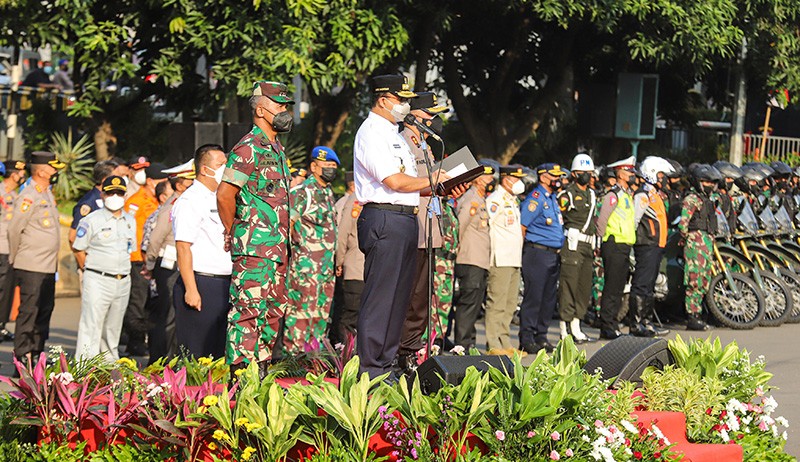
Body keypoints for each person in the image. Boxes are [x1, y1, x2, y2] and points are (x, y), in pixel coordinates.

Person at [353, 74, 453, 380]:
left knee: (399, 299)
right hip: (384, 217)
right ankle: (370, 370)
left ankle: (386, 366)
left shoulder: (394, 134)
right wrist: (436, 180)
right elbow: (393, 181)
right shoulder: (372, 132)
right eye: (402, 100)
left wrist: (443, 186)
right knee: (382, 298)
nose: (406, 106)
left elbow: (410, 186)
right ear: (384, 100)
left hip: (405, 217)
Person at [217, 80, 294, 375]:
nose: (285, 110)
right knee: (248, 312)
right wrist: (233, 229)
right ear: (261, 109)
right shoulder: (248, 147)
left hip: (276, 249)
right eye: (279, 105)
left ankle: (261, 369)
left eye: (286, 105)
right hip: (253, 247)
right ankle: (240, 375)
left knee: (272, 313)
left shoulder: (275, 148)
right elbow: (225, 193)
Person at [397, 92, 451, 370]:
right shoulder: (403, 143)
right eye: (429, 115)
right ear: (413, 117)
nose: (434, 121)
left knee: (421, 296)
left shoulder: (426, 147)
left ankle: (412, 348)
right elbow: (406, 182)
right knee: (410, 294)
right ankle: (402, 350)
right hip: (414, 226)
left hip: (429, 229)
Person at [173, 145, 232, 359]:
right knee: (197, 354)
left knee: (218, 354)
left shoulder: (221, 197)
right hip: (202, 282)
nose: (226, 168)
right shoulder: (191, 200)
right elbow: (183, 246)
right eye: (221, 165)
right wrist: (191, 289)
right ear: (205, 169)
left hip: (225, 282)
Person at [8, 151, 65, 368]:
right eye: (52, 167)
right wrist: (17, 257)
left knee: (44, 309)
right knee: (29, 311)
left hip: (48, 265)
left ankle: (37, 352)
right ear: (41, 171)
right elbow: (14, 230)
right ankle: (22, 355)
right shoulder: (29, 195)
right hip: (31, 264)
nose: (55, 171)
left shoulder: (47, 193)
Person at [72, 176, 136, 360]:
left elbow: (130, 249)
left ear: (125, 195)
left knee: (113, 328)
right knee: (91, 326)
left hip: (122, 279)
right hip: (97, 278)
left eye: (119, 192)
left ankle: (110, 366)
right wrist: (90, 271)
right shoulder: (91, 219)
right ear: (103, 194)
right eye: (110, 192)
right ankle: (84, 367)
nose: (115, 196)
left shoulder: (130, 220)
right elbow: (78, 248)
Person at [285, 146, 340, 352]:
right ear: (314, 167)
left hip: (325, 268)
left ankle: (313, 359)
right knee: (300, 315)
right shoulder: (302, 192)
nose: (331, 170)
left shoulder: (327, 192)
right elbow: (288, 225)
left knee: (321, 315)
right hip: (305, 268)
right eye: (327, 165)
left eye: (333, 166)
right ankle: (294, 361)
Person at [143, 159, 195, 362]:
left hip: (179, 263)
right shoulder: (173, 206)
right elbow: (155, 239)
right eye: (189, 180)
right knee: (167, 315)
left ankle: (171, 356)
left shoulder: (186, 202)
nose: (193, 184)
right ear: (179, 184)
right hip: (169, 264)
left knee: (175, 315)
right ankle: (161, 359)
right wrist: (149, 265)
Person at [123, 162, 169, 357]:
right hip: (138, 259)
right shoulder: (136, 201)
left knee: (152, 303)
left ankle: (147, 340)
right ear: (150, 181)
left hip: (153, 258)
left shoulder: (159, 201)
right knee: (138, 302)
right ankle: (135, 341)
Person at [518, 163, 565, 354]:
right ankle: (527, 337)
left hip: (552, 255)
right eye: (554, 176)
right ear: (543, 177)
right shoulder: (536, 199)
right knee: (534, 297)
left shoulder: (552, 198)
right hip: (537, 253)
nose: (558, 179)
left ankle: (541, 335)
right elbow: (523, 225)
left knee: (548, 298)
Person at [484, 165, 526, 355]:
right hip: (500, 258)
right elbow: (488, 227)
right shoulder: (495, 200)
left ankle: (504, 340)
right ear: (506, 179)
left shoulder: (513, 200)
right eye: (516, 179)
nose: (520, 183)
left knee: (510, 304)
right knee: (497, 303)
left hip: (514, 257)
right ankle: (493, 343)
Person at [629, 156, 672, 337]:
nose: (664, 179)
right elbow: (635, 219)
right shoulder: (643, 194)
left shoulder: (655, 194)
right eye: (661, 175)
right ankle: (636, 323)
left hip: (656, 245)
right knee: (641, 284)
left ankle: (647, 321)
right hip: (646, 245)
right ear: (652, 174)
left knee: (650, 287)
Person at [595, 156, 637, 340]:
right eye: (628, 172)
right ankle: (606, 326)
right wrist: (600, 241)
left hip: (625, 244)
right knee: (611, 287)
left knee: (619, 287)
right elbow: (602, 219)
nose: (631, 175)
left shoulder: (627, 194)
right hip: (613, 243)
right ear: (619, 173)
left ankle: (613, 322)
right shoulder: (614, 195)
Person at [556, 154, 597, 344]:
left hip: (588, 244)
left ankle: (576, 326)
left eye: (588, 173)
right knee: (568, 286)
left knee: (583, 286)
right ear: (574, 174)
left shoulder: (592, 194)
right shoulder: (567, 194)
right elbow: (558, 217)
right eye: (582, 173)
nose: (586, 176)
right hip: (573, 243)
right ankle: (564, 329)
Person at [678, 164, 719, 331]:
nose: (709, 185)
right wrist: (687, 238)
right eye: (705, 181)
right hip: (695, 241)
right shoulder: (692, 199)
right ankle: (692, 316)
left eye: (711, 182)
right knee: (694, 279)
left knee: (704, 280)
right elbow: (683, 224)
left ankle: (699, 313)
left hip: (706, 242)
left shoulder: (707, 200)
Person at [70, 160, 120, 271]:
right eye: (117, 177)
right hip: (93, 267)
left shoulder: (113, 200)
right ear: (104, 180)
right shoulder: (88, 203)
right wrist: (85, 268)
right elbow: (73, 238)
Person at [333, 173, 365, 342]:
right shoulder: (357, 199)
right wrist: (340, 261)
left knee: (355, 317)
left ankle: (349, 357)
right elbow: (343, 235)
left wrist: (339, 261)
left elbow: (342, 234)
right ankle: (346, 357)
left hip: (361, 268)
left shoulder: (359, 199)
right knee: (353, 316)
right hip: (359, 268)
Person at [0, 160, 26, 341]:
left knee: (7, 290)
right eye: (20, 172)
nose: (23, 175)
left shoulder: (16, 195)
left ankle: (1, 324)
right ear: (13, 174)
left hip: (11, 249)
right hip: (2, 247)